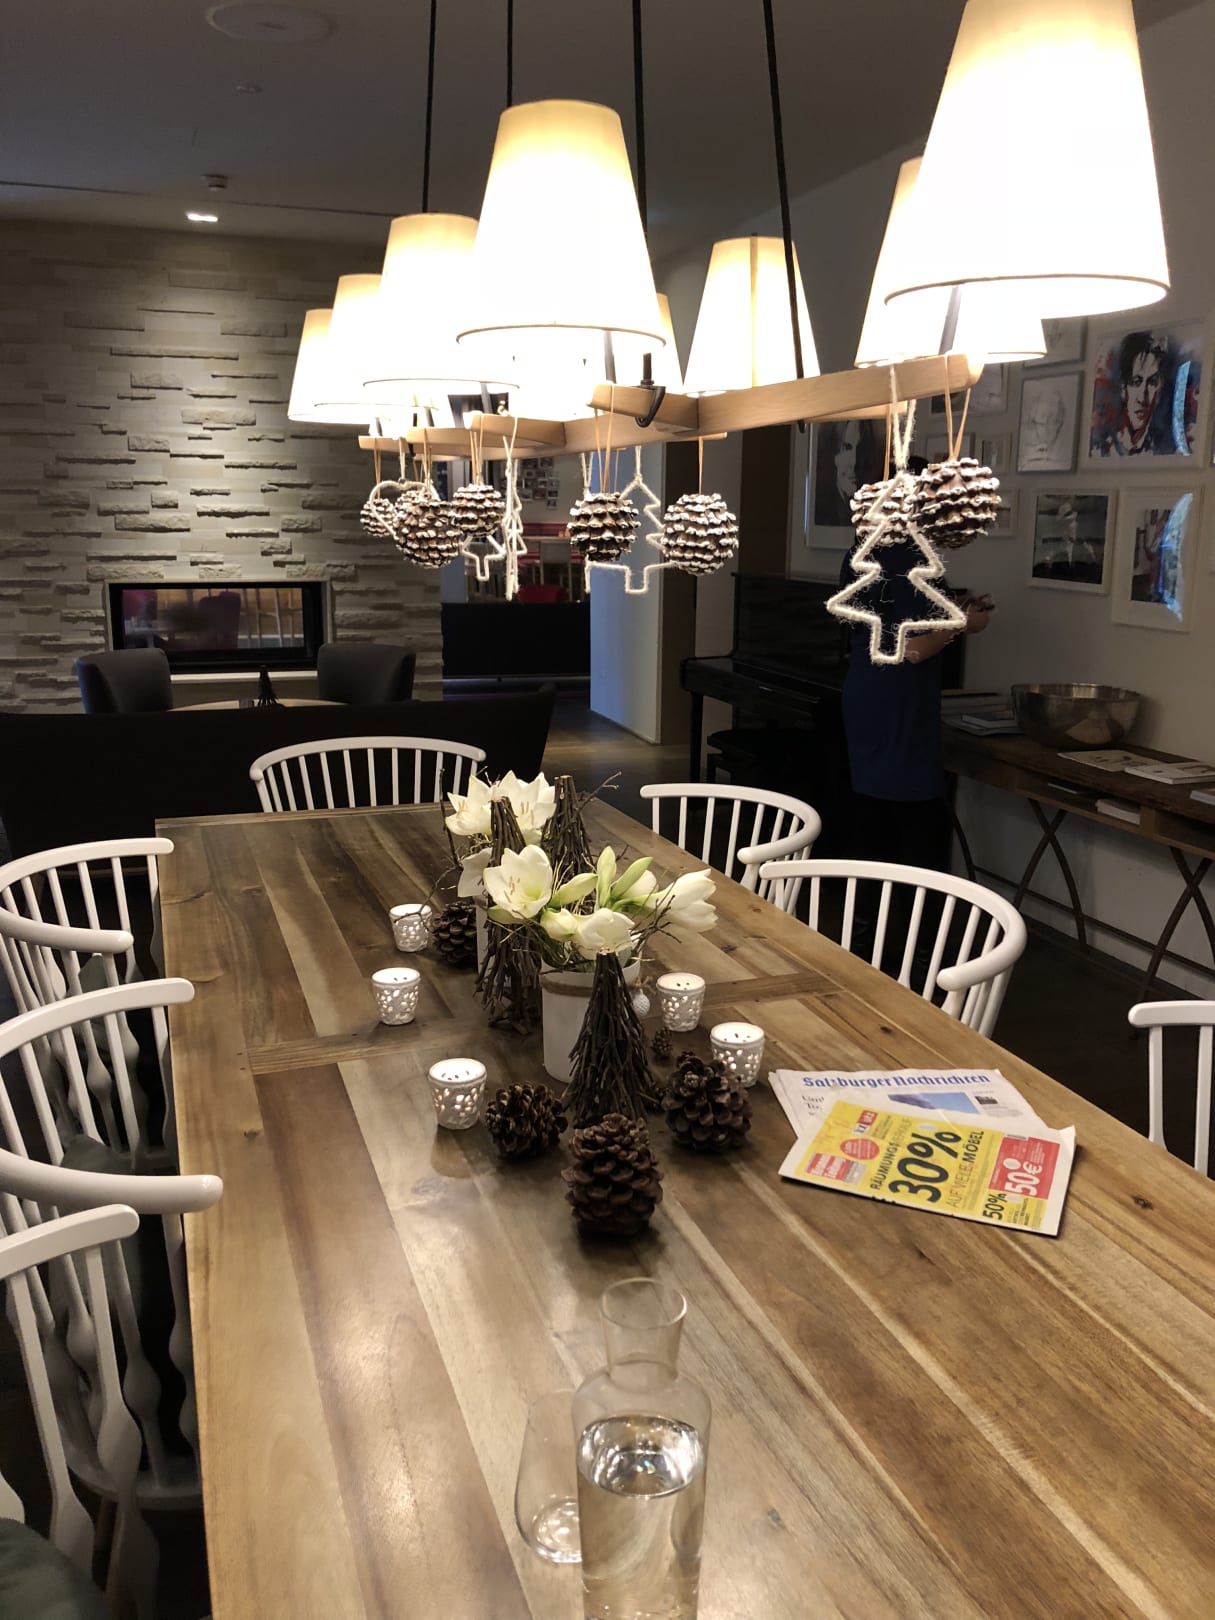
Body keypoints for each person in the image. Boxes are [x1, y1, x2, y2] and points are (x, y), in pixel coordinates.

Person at [838, 504, 991, 966]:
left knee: (873, 817)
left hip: (871, 692)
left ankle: (866, 937)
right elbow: (913, 648)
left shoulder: (865, 549)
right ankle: (918, 953)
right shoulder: (902, 557)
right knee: (914, 825)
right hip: (896, 699)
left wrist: (953, 609)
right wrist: (964, 622)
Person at [1093, 331, 1170, 457]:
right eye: (1136, 382)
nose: (1142, 397)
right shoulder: (1103, 446)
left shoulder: (1165, 447)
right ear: (1124, 388)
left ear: (1159, 388)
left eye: (1152, 382)